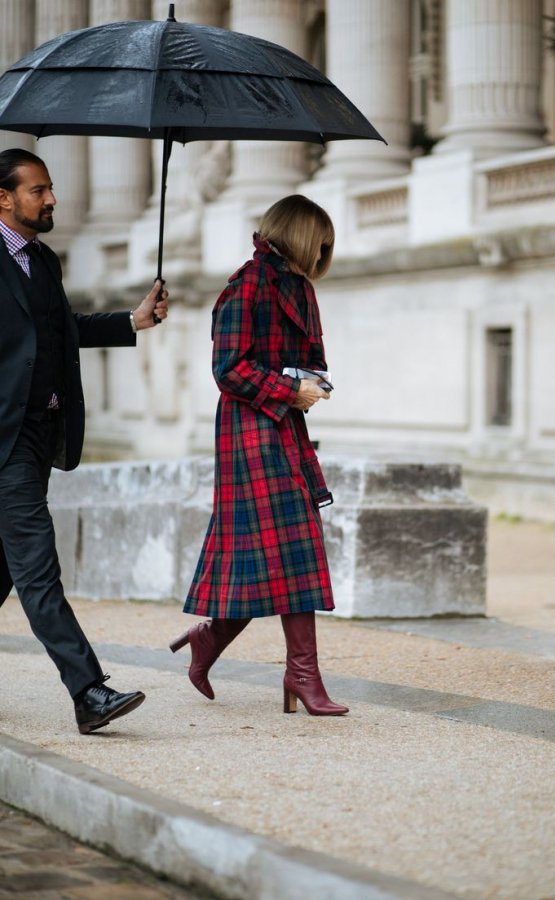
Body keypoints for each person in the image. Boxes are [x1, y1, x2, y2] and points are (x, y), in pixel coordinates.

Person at [0, 148, 169, 734]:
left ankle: (86, 690)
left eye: (50, 190)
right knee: (38, 566)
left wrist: (132, 320)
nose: (50, 200)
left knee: (7, 567)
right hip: (6, 439)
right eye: (38, 190)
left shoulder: (43, 260)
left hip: (40, 433)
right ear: (3, 198)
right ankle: (87, 691)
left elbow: (61, 330)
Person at [171, 194, 348, 716]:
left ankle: (210, 641)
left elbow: (312, 357)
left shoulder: (301, 288)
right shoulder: (245, 286)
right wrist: (287, 390)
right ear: (297, 234)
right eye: (320, 242)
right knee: (292, 544)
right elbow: (227, 369)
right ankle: (302, 674)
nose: (323, 253)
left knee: (266, 556)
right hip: (248, 430)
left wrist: (314, 382)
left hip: (284, 428)